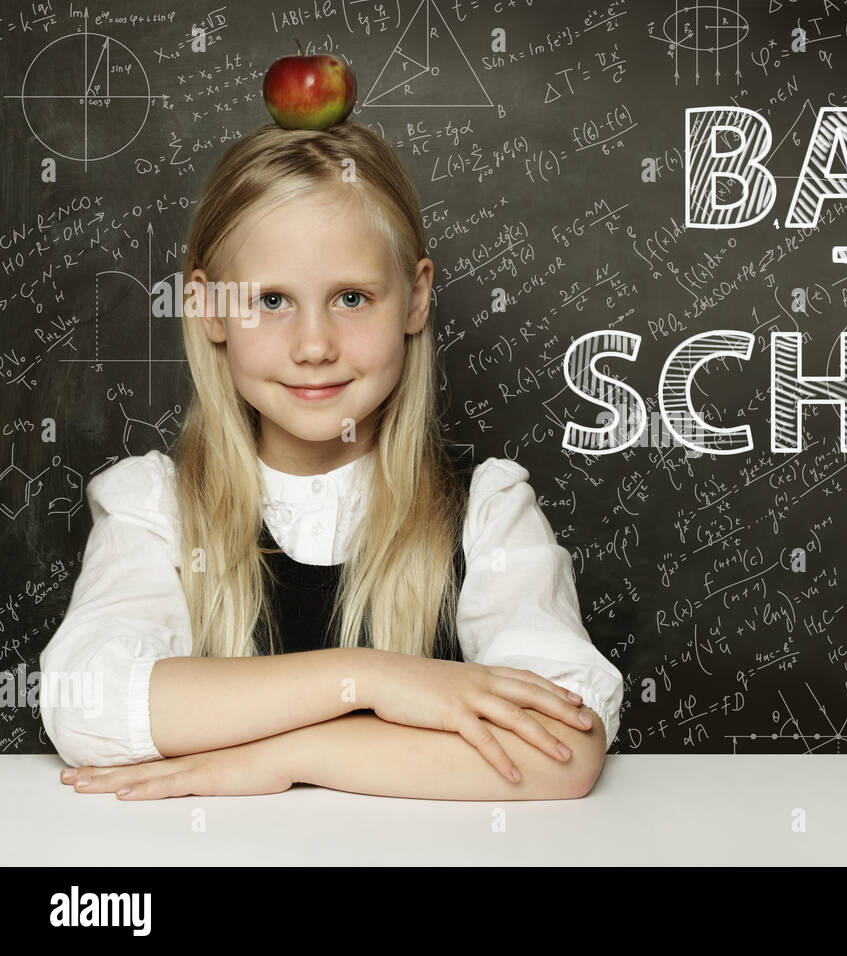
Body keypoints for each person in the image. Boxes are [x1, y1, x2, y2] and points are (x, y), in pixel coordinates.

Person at [39, 122, 622, 801]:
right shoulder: (156, 508)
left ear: (416, 297)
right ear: (208, 309)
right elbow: (87, 704)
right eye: (272, 301)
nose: (314, 345)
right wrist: (374, 680)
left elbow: (564, 751)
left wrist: (287, 757)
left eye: (351, 298)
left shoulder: (484, 511)